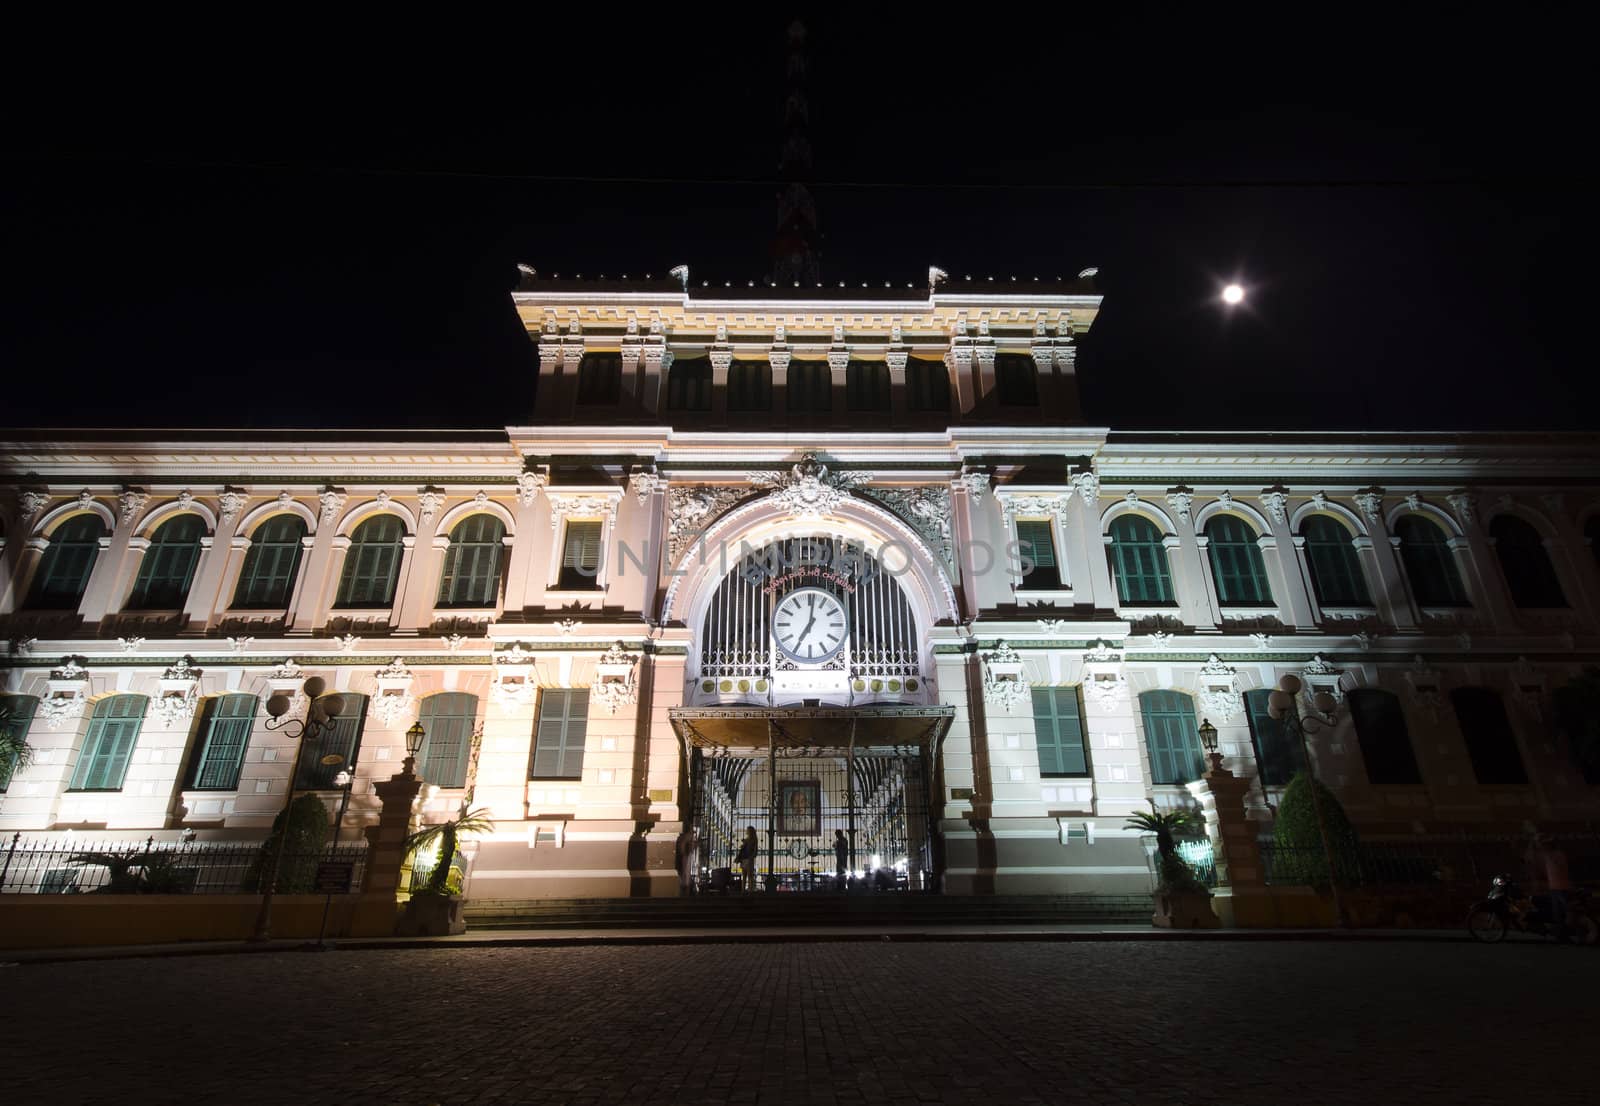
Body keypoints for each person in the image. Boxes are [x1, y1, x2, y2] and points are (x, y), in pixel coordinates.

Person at [1526, 830, 1572, 934]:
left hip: (1558, 888)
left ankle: (1564, 932)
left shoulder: (1549, 855)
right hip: (1559, 887)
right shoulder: (1558, 854)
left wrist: (1532, 840)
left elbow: (1533, 853)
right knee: (1560, 911)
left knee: (1561, 912)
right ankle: (1561, 932)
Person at [675, 825, 699, 895]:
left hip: (685, 857)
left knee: (685, 875)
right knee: (684, 875)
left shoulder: (686, 837)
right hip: (684, 858)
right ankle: (684, 890)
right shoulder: (686, 837)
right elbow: (682, 848)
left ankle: (685, 890)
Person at [736, 826, 759, 893]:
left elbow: (755, 851)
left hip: (748, 859)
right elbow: (743, 849)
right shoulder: (747, 840)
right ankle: (744, 890)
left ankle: (749, 890)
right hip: (744, 859)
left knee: (749, 876)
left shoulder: (754, 839)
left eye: (747, 830)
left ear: (750, 831)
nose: (746, 831)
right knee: (745, 876)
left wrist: (752, 856)